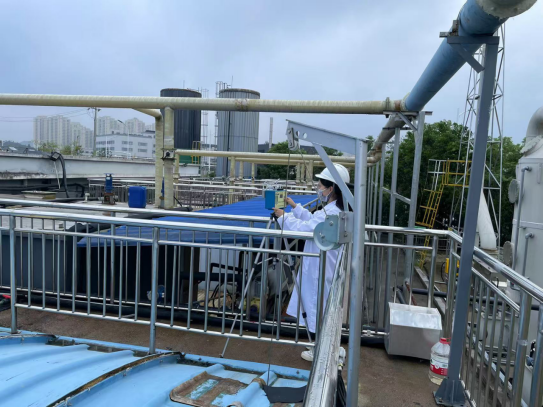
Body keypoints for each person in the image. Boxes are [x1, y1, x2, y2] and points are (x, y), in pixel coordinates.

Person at [273, 163, 350, 362]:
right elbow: (313, 220)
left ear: (331, 188)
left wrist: (283, 218)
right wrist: (295, 207)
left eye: (320, 185)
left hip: (321, 267)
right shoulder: (335, 210)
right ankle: (328, 346)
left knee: (318, 306)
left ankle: (321, 350)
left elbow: (307, 229)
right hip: (325, 264)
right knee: (324, 306)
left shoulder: (332, 213)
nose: (318, 188)